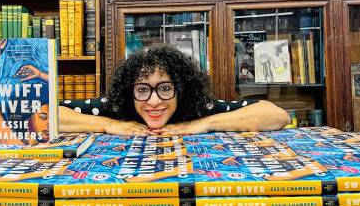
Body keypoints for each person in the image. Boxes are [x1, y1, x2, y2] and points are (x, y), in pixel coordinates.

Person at [59, 44, 290, 136]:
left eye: (165, 88)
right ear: (130, 92)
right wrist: (108, 124)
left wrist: (204, 124)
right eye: (142, 90)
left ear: (181, 90)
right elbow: (47, 114)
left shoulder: (199, 109)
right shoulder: (117, 107)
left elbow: (277, 115)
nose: (154, 101)